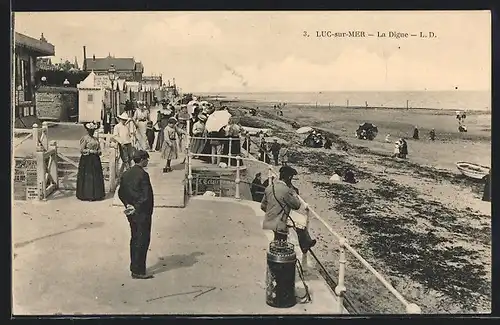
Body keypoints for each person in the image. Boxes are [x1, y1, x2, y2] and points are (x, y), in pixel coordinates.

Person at [260, 166, 317, 253]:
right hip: (280, 223)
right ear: (289, 178)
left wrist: (274, 211)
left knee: (295, 223)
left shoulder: (269, 187)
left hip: (269, 221)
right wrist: (294, 192)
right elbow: (297, 205)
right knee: (301, 222)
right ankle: (305, 244)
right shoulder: (287, 190)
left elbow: (263, 206)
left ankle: (305, 243)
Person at [118, 150, 154, 279]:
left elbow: (121, 193)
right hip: (142, 212)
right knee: (143, 240)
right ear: (142, 160)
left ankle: (134, 268)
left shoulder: (126, 173)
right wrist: (136, 207)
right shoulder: (143, 175)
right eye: (147, 159)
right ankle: (139, 271)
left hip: (131, 212)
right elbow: (146, 196)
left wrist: (128, 205)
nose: (147, 161)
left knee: (134, 238)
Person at [76, 121, 106, 201]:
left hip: (95, 159)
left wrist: (99, 151)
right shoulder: (85, 138)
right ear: (87, 130)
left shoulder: (96, 139)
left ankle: (97, 194)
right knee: (88, 177)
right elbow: (81, 150)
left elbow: (99, 147)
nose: (91, 132)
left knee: (96, 176)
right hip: (87, 160)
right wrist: (90, 151)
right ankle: (87, 195)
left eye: (93, 130)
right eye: (90, 130)